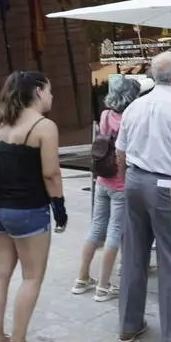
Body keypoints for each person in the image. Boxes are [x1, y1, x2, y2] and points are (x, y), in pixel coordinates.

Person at [0, 71, 68, 342]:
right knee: (32, 277)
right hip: (27, 210)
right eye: (50, 90)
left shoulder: (2, 121)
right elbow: (51, 173)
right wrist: (60, 209)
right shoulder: (44, 126)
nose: (52, 96)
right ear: (38, 92)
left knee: (0, 275)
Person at [115, 51, 171, 342]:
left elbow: (120, 151)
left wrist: (126, 182)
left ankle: (129, 324)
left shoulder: (134, 106)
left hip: (135, 180)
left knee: (133, 253)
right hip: (165, 184)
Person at [73, 77, 140, 301]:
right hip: (120, 183)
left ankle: (82, 278)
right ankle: (103, 286)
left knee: (96, 228)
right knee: (114, 232)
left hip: (102, 180)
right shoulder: (130, 119)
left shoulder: (105, 115)